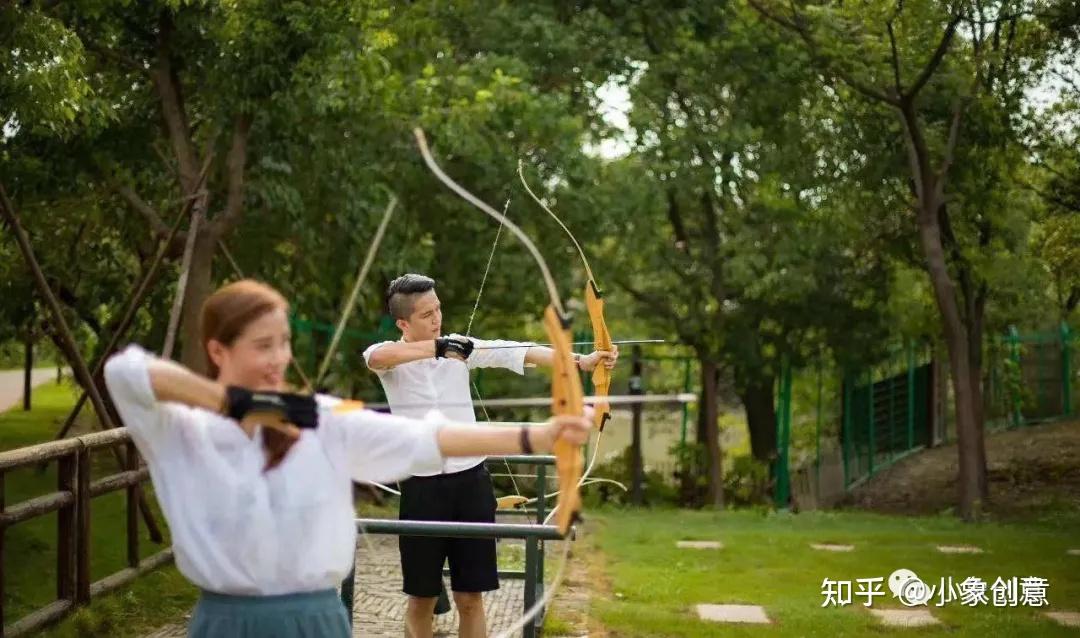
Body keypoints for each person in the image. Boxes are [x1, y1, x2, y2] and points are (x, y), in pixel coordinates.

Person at [102, 279, 590, 638]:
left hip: (319, 617)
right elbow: (125, 371)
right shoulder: (188, 431)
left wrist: (541, 433)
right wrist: (239, 404)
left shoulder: (321, 416)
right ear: (217, 351)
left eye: (284, 344)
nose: (279, 358)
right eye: (263, 346)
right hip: (228, 621)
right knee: (420, 594)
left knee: (470, 594)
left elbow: (430, 438)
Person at [363, 273, 617, 638]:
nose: (437, 319)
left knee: (471, 598)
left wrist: (579, 360)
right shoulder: (387, 355)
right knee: (421, 599)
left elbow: (517, 350)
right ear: (403, 322)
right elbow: (378, 358)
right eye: (426, 314)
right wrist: (438, 348)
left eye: (438, 309)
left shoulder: (461, 348)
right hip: (422, 489)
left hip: (471, 485)